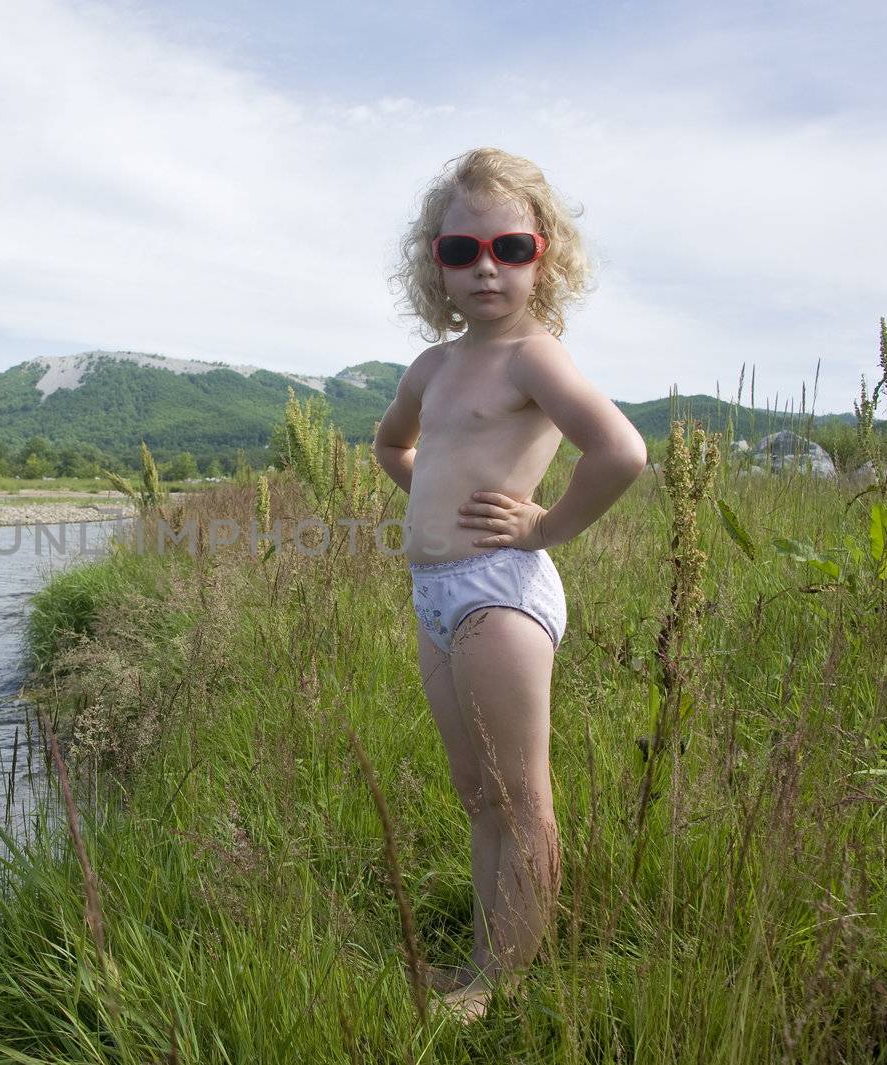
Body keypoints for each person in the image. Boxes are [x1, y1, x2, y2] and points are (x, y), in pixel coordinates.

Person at [373, 147, 647, 1023]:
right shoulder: (433, 367)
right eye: (462, 250)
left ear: (544, 255)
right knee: (476, 790)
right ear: (436, 262)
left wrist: (543, 525)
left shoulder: (536, 356)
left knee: (521, 794)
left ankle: (504, 981)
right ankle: (492, 950)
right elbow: (393, 446)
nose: (485, 267)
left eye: (510, 247)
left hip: (500, 591)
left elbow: (621, 451)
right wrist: (434, 504)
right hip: (436, 594)